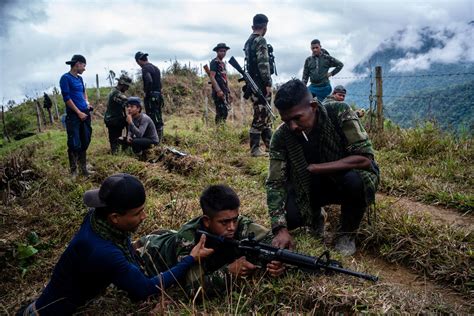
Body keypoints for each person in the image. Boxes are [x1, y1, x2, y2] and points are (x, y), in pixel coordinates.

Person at [18, 173, 213, 315]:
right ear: (115, 217)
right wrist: (190, 259)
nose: (144, 216)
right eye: (137, 213)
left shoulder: (98, 219)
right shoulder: (103, 252)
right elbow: (144, 289)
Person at [266, 79, 379, 256]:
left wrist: (318, 168)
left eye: (297, 118)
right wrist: (280, 228)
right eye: (287, 121)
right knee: (291, 217)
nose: (293, 126)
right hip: (309, 187)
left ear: (313, 106)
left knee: (357, 182)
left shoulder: (338, 112)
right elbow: (275, 183)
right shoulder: (281, 137)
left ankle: (347, 233)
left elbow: (365, 159)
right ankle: (315, 217)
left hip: (342, 180)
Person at [137, 184, 284, 297]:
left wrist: (275, 263)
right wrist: (229, 273)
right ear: (207, 221)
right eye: (224, 222)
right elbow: (192, 290)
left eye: (235, 219)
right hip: (149, 253)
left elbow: (272, 242)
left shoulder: (237, 223)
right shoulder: (189, 238)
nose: (232, 227)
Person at [244, 14, 274, 157]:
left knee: (265, 115)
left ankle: (270, 146)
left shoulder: (248, 41)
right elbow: (263, 64)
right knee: (260, 116)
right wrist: (267, 83)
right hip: (260, 84)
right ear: (265, 27)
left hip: (253, 83)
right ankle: (255, 149)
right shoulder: (260, 40)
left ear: (253, 26)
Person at [60, 54, 94, 177]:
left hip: (85, 113)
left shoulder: (79, 79)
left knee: (85, 139)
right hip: (74, 116)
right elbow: (67, 98)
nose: (84, 68)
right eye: (84, 65)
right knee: (74, 142)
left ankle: (83, 169)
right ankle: (74, 171)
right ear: (78, 64)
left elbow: (84, 92)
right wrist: (78, 112)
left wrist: (87, 103)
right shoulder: (65, 78)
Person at [135, 51, 164, 141]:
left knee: (151, 117)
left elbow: (149, 80)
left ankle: (154, 139)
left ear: (138, 61)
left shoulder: (145, 68)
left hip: (151, 97)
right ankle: (160, 138)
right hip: (158, 95)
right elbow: (160, 84)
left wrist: (147, 93)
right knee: (158, 116)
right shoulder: (156, 68)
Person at [104, 74, 132, 154]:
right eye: (127, 86)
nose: (127, 88)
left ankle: (122, 150)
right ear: (122, 84)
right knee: (114, 140)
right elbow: (127, 101)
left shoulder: (116, 91)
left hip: (116, 119)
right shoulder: (116, 94)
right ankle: (115, 154)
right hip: (113, 120)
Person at [209, 43, 232, 124]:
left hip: (224, 91)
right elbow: (212, 77)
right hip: (218, 92)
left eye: (224, 51)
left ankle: (222, 129)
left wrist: (228, 92)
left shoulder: (223, 63)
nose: (223, 53)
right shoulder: (214, 62)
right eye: (221, 51)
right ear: (217, 52)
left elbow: (225, 79)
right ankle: (218, 131)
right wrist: (218, 90)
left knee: (225, 112)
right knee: (220, 112)